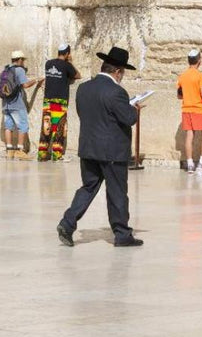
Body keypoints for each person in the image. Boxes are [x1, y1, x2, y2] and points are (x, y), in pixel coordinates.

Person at [57, 47, 145, 248]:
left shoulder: (83, 88)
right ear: (118, 72)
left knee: (88, 187)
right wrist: (134, 109)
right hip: (112, 151)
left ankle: (67, 223)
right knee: (117, 192)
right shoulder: (117, 92)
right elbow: (129, 118)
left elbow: (85, 114)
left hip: (88, 148)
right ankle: (122, 234)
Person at [37, 43, 81, 162]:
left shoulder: (48, 63)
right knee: (59, 128)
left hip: (48, 100)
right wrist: (71, 63)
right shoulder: (67, 65)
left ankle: (42, 154)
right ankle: (57, 155)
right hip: (60, 101)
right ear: (67, 54)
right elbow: (78, 75)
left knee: (46, 127)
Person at [176, 48, 202, 174]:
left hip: (186, 109)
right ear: (199, 61)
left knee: (189, 135)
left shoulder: (182, 76)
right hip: (199, 109)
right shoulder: (200, 76)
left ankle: (190, 164)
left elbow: (179, 96)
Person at [1, 51, 41, 160]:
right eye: (23, 60)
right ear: (19, 60)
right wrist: (37, 80)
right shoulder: (19, 70)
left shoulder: (5, 70)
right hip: (17, 104)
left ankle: (9, 151)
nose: (23, 62)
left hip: (5, 104)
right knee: (23, 126)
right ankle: (20, 151)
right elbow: (25, 85)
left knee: (8, 127)